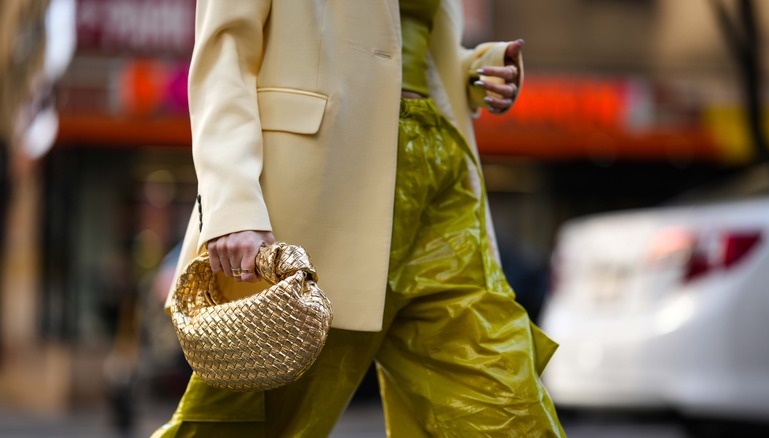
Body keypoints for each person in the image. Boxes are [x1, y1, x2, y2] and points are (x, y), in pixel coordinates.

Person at [153, 0, 565, 436]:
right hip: (320, 189)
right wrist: (234, 203)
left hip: (439, 187)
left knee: (507, 406)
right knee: (250, 424)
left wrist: (473, 70)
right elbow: (225, 52)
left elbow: (398, 46)